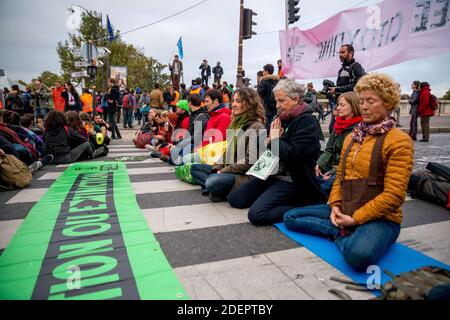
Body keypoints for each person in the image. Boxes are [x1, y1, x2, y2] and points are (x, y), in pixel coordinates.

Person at [283, 73, 414, 272]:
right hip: (346, 207)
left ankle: (340, 231)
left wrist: (356, 219)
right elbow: (341, 179)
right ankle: (343, 230)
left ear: (387, 103)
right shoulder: (353, 136)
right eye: (361, 101)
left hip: (380, 218)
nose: (364, 107)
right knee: (290, 217)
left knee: (358, 257)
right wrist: (335, 205)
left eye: (371, 101)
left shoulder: (399, 141)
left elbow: (394, 196)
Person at [228, 79, 327, 226]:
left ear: (296, 99)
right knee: (235, 199)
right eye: (276, 101)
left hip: (293, 179)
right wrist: (270, 141)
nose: (277, 106)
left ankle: (303, 205)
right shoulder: (279, 118)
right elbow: (268, 149)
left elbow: (295, 156)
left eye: (281, 101)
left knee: (257, 215)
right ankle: (272, 196)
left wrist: (274, 140)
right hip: (272, 173)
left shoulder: (307, 121)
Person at [190, 88, 266, 202]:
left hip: (241, 175)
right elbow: (227, 153)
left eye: (238, 101)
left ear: (250, 103)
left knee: (212, 182)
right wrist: (217, 168)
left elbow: (249, 161)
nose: (233, 104)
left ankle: (215, 188)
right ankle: (215, 189)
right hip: (228, 168)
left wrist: (224, 171)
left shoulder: (256, 127)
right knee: (194, 168)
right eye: (233, 101)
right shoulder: (235, 124)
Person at [315, 92, 362, 195]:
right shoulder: (338, 124)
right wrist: (319, 164)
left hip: (345, 173)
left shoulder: (360, 128)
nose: (338, 108)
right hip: (332, 168)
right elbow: (329, 149)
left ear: (353, 107)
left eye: (342, 105)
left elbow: (352, 160)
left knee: (318, 190)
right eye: (338, 104)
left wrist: (333, 172)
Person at [328, 44, 366, 132]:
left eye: (343, 52)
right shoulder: (342, 69)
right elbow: (343, 86)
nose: (340, 55)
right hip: (340, 105)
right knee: (333, 130)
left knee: (343, 131)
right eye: (339, 53)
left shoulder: (356, 66)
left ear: (350, 53)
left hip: (350, 106)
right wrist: (333, 89)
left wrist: (337, 89)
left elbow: (357, 86)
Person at [257, 64, 279, 130]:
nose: (263, 73)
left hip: (266, 107)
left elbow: (259, 93)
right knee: (271, 123)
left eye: (263, 71)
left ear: (266, 71)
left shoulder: (264, 80)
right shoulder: (277, 81)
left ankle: (263, 139)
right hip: (275, 106)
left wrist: (259, 82)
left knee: (264, 125)